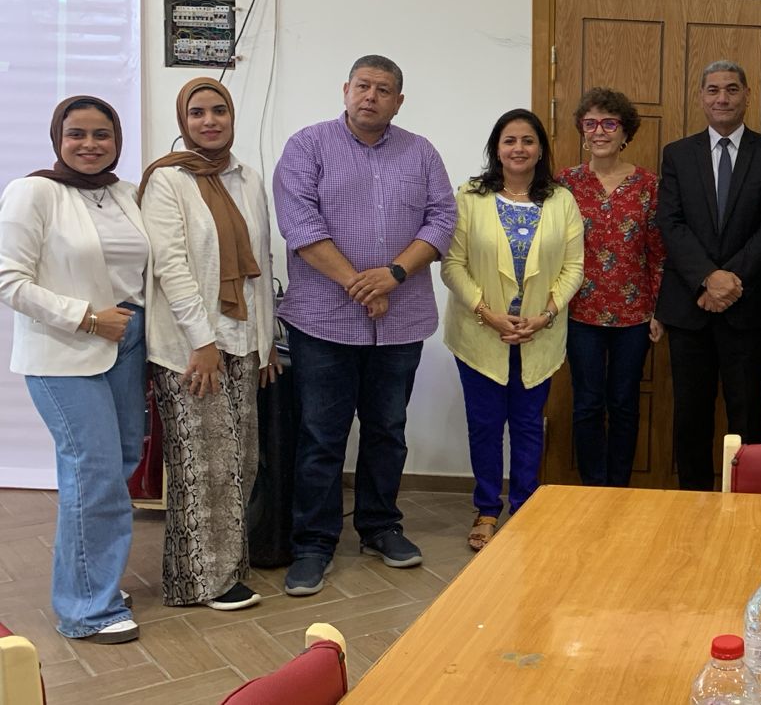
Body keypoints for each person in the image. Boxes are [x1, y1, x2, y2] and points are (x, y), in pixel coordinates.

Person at [272, 55, 456, 596]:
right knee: (321, 436)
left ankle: (380, 527)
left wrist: (393, 275)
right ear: (345, 89)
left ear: (399, 101)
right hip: (321, 322)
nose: (370, 96)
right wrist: (361, 284)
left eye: (383, 89)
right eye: (363, 86)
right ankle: (313, 543)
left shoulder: (421, 152)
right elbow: (300, 225)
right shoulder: (307, 146)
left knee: (387, 431)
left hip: (400, 323)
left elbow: (443, 219)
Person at [0, 97, 150, 643]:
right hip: (65, 350)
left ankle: (92, 579)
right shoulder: (34, 191)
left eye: (102, 134)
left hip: (127, 343)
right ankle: (87, 609)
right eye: (77, 134)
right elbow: (8, 279)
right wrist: (86, 317)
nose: (90, 144)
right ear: (57, 139)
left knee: (121, 461)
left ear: (117, 139)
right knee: (95, 472)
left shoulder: (125, 193)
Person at [139, 78, 279, 610]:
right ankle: (201, 582)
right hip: (191, 350)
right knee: (202, 467)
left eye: (219, 110)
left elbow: (261, 264)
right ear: (183, 121)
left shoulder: (247, 177)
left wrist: (266, 342)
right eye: (197, 112)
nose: (209, 121)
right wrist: (202, 342)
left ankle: (225, 569)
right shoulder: (167, 180)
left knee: (240, 462)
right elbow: (171, 267)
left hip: (242, 343)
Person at [443, 109, 584, 550]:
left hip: (539, 333)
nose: (518, 148)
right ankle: (487, 509)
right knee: (485, 425)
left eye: (527, 140)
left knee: (527, 426)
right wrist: (487, 313)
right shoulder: (470, 196)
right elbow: (452, 264)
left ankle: (524, 507)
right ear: (496, 149)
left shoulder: (561, 200)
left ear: (540, 149)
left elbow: (575, 267)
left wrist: (546, 314)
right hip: (480, 332)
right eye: (509, 140)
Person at [657, 60, 761, 491]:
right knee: (690, 414)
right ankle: (693, 503)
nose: (722, 98)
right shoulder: (678, 154)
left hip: (747, 306)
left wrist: (729, 279)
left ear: (747, 95)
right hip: (689, 305)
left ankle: (747, 501)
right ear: (701, 97)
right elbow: (670, 222)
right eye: (713, 90)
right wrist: (707, 277)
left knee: (747, 414)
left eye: (732, 89)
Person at [556, 88, 663, 488]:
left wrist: (658, 309)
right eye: (591, 123)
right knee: (586, 403)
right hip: (579, 311)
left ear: (625, 132)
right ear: (582, 131)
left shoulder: (648, 185)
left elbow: (658, 252)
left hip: (634, 315)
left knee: (624, 403)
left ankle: (618, 488)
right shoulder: (564, 183)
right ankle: (593, 487)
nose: (599, 131)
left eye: (609, 123)